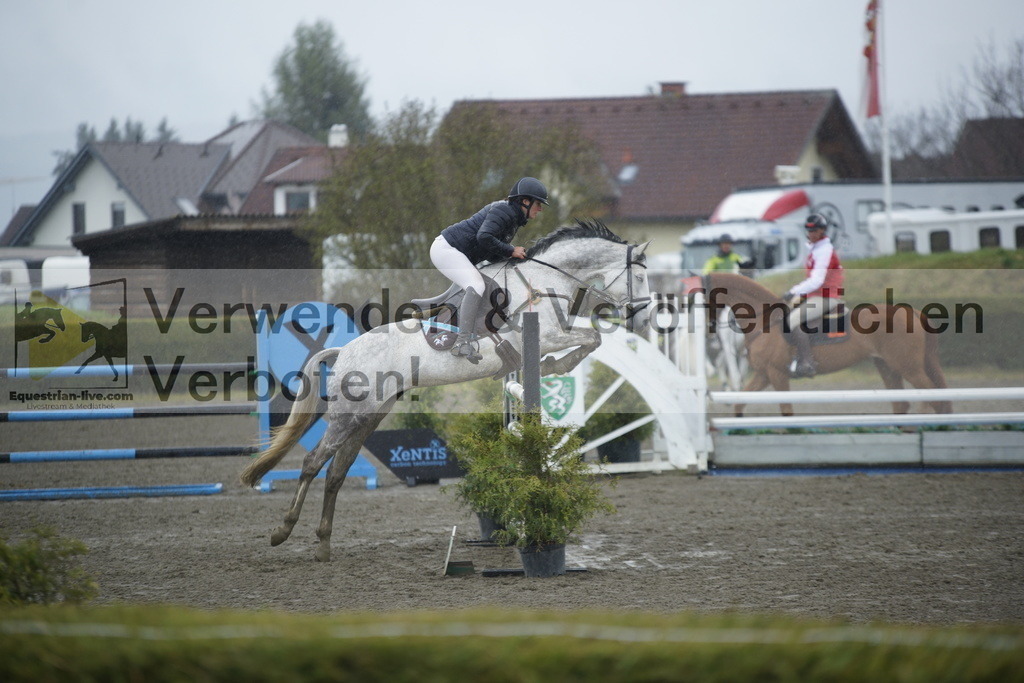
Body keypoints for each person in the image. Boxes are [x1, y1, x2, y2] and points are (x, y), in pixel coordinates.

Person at [430, 177, 548, 362]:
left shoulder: (513, 217)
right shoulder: (504, 210)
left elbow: (490, 251)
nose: (540, 209)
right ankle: (462, 342)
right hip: (446, 249)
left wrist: (512, 256)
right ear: (525, 201)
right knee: (476, 285)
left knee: (485, 281)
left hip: (456, 252)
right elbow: (484, 237)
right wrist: (511, 250)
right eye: (538, 204)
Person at [783, 213, 844, 378]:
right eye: (809, 230)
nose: (812, 233)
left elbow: (816, 281)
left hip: (826, 296)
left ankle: (806, 362)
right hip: (816, 295)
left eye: (815, 230)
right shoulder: (816, 249)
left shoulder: (824, 250)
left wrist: (793, 291)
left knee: (792, 321)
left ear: (823, 230)